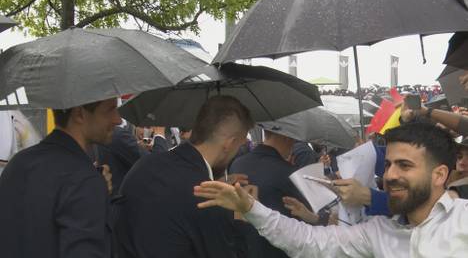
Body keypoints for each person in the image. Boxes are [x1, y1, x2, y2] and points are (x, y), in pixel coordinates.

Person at [194, 122, 468, 257]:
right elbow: (307, 240)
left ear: (439, 175)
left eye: (405, 166)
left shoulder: (462, 221)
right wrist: (250, 208)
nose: (390, 175)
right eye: (388, 165)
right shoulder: (378, 232)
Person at [115, 95, 254, 258]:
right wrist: (241, 214)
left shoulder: (145, 164)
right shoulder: (208, 199)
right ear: (229, 143)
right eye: (239, 145)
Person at [0, 98, 122, 258]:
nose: (118, 119)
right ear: (79, 114)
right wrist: (94, 191)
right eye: (110, 109)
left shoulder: (18, 163)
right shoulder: (84, 180)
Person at [229, 129, 316, 258]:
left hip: (244, 245)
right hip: (276, 247)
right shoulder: (288, 173)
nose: (293, 145)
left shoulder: (237, 163)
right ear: (286, 138)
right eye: (292, 139)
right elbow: (306, 212)